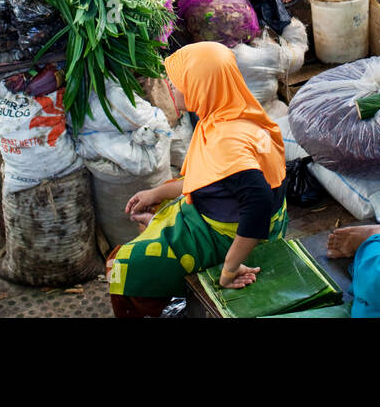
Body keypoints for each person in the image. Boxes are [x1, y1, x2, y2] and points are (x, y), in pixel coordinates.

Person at [109, 42, 287, 317]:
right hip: (225, 213)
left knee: (125, 264)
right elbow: (216, 178)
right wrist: (158, 193)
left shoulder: (227, 141)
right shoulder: (233, 115)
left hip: (230, 236)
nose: (172, 89)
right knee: (155, 219)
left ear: (200, 88)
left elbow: (259, 204)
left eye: (179, 83)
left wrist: (229, 270)